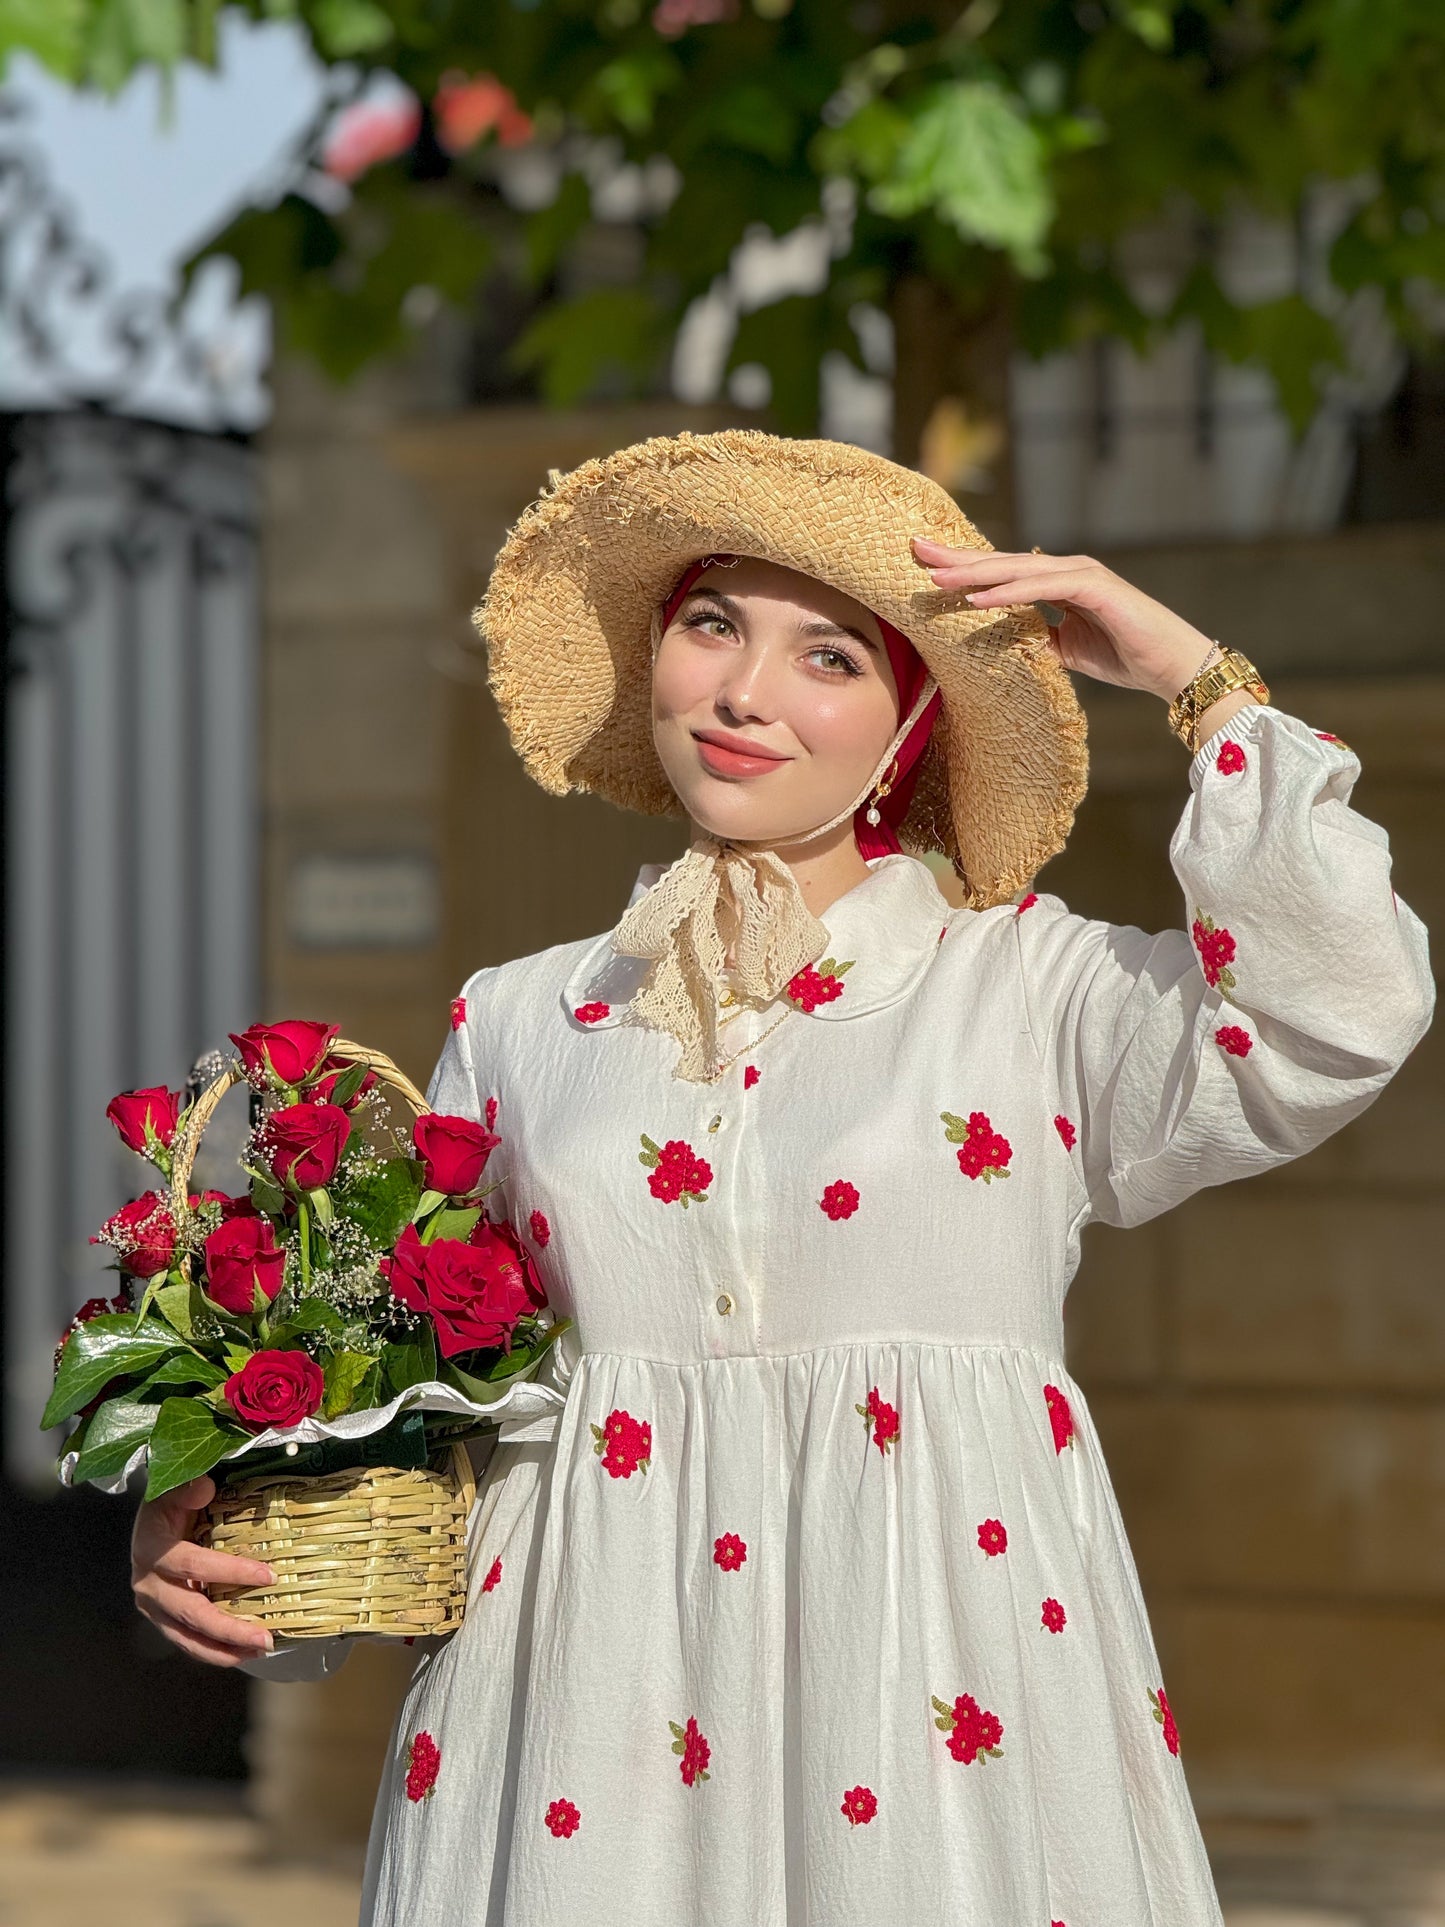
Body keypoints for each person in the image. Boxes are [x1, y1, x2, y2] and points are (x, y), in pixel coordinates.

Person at [131, 429, 1433, 1925]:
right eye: (710, 627)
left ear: (912, 725)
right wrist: (228, 1527)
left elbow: (1338, 1010)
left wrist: (1195, 681)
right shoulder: (522, 1017)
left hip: (938, 1705)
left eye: (830, 656)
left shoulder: (1028, 989)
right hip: (576, 1714)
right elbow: (429, 1399)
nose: (745, 694)